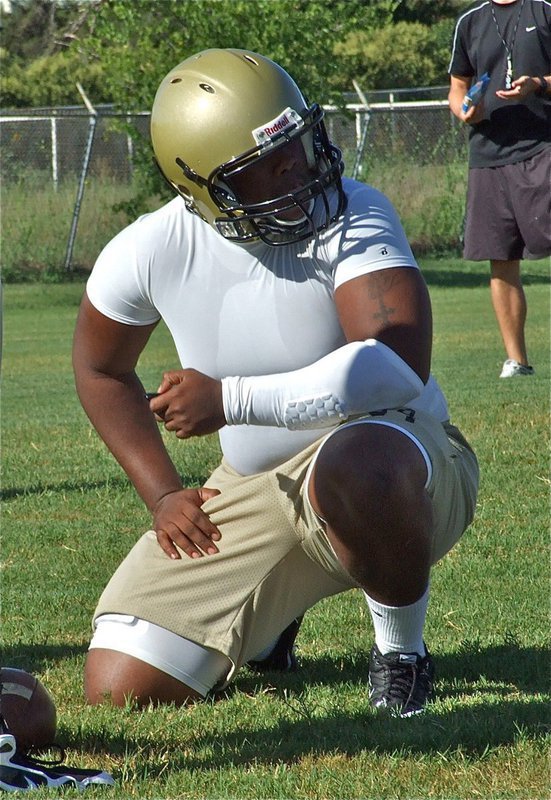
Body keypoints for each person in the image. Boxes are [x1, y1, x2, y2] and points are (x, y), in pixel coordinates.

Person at [72, 48, 479, 718]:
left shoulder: (356, 209)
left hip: (399, 456)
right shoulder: (148, 248)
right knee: (123, 687)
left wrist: (231, 397)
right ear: (202, 184)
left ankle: (400, 654)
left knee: (359, 461)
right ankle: (273, 618)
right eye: (264, 161)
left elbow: (391, 364)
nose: (295, 165)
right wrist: (164, 493)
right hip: (255, 482)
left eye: (295, 143)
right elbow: (99, 366)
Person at [448, 0, 551, 378]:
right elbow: (457, 88)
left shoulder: (544, 9)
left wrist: (539, 85)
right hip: (489, 155)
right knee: (501, 258)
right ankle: (517, 362)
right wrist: (464, 110)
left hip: (543, 146)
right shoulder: (469, 22)